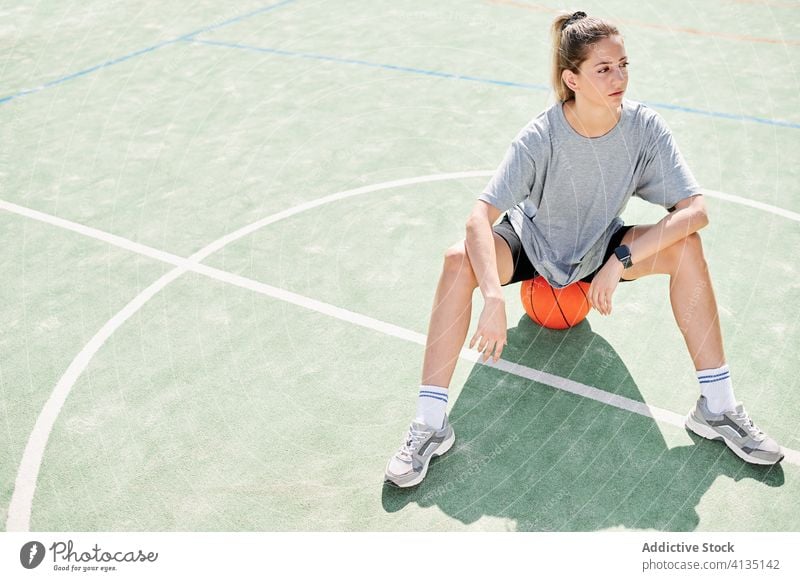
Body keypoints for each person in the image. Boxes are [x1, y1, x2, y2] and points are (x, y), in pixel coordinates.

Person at [384, 10, 784, 488]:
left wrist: (620, 261)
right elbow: (478, 218)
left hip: (599, 247)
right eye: (604, 69)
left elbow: (695, 210)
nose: (619, 77)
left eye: (623, 64)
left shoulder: (644, 129)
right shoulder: (541, 136)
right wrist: (492, 296)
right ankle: (430, 424)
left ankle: (717, 408)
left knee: (688, 248)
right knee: (457, 260)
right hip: (532, 244)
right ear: (571, 79)